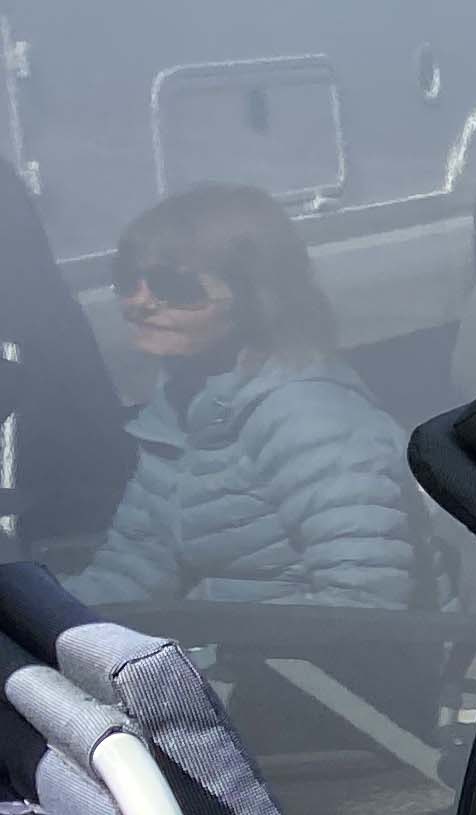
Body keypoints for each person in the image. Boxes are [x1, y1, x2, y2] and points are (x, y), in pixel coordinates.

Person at [83, 184, 414, 612]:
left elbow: (365, 600)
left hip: (318, 669)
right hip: (235, 652)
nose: (139, 303)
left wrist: (206, 644)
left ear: (254, 297)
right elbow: (129, 573)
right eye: (128, 280)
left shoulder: (309, 419)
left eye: (174, 286)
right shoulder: (181, 408)